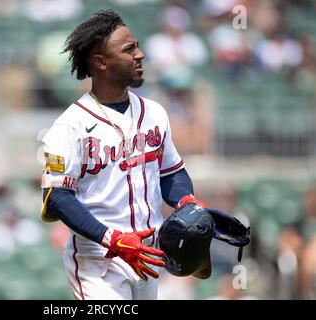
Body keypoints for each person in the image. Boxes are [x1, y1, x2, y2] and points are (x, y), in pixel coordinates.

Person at [40, 10, 218, 300]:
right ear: (100, 62)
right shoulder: (68, 127)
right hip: (98, 258)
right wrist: (114, 239)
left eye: (137, 46)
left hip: (148, 255)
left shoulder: (154, 112)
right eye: (129, 49)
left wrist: (185, 199)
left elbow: (171, 172)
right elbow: (57, 197)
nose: (141, 54)